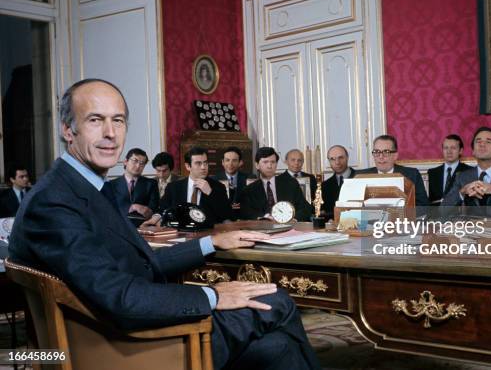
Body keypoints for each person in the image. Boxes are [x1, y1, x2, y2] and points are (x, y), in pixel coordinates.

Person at [8, 79, 320, 370]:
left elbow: (137, 261)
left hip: (124, 336)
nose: (110, 133)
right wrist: (213, 295)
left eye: (118, 120)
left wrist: (211, 242)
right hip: (130, 351)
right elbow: (121, 297)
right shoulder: (54, 202)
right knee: (277, 300)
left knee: (279, 347)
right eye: (95, 120)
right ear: (67, 129)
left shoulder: (79, 187)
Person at [144, 147, 233, 227]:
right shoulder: (174, 187)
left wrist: (210, 193)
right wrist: (154, 219)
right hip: (179, 232)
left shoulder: (218, 187)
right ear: (188, 166)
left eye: (205, 163)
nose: (203, 167)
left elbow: (226, 215)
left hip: (207, 233)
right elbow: (162, 208)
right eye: (198, 163)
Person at [358, 134, 429, 214]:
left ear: (395, 155)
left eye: (386, 152)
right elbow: (354, 206)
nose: (381, 156)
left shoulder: (412, 175)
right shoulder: (361, 176)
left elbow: (423, 206)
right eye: (377, 152)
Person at [240, 147, 313, 221]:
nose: (269, 166)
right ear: (257, 165)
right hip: (262, 229)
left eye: (273, 162)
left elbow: (305, 208)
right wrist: (264, 218)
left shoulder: (291, 184)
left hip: (289, 227)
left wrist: (293, 219)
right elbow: (247, 213)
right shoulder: (249, 190)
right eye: (265, 162)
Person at [107, 148, 159, 225]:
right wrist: (132, 207)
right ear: (125, 162)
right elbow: (109, 208)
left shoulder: (151, 183)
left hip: (144, 226)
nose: (138, 166)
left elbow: (154, 208)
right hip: (119, 226)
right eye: (135, 161)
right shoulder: (111, 185)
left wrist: (148, 211)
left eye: (142, 163)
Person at [427, 135, 471, 206]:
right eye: (446, 148)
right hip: (436, 215)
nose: (449, 151)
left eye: (453, 148)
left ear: (460, 151)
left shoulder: (469, 171)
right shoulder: (432, 172)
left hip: (459, 214)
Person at [213, 147, 253, 217]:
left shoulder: (249, 178)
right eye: (227, 160)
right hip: (222, 218)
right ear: (223, 162)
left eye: (234, 160)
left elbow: (253, 201)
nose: (230, 164)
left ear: (240, 162)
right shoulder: (214, 180)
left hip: (243, 218)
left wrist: (243, 205)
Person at [321, 145, 355, 219]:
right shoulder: (324, 186)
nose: (337, 162)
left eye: (341, 157)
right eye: (332, 159)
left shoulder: (360, 179)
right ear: (329, 161)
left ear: (347, 157)